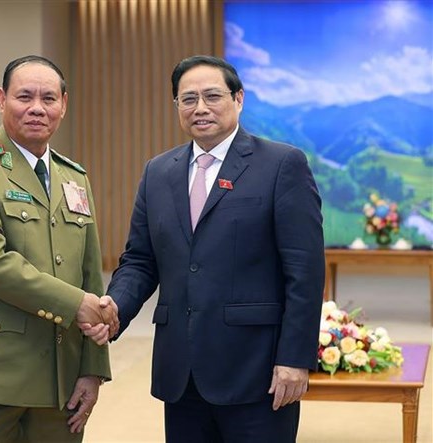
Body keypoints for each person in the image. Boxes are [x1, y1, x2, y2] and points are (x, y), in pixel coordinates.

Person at [83, 55, 325, 442]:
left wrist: (294, 359)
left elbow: (306, 272)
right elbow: (141, 261)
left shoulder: (281, 164)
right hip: (181, 372)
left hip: (257, 371)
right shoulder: (158, 172)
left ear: (238, 99)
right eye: (188, 99)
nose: (200, 108)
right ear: (176, 105)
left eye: (212, 96)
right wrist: (115, 308)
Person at [0, 55, 118, 443]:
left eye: (49, 98)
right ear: (2, 99)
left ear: (64, 105)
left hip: (62, 378)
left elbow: (90, 275)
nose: (37, 108)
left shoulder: (73, 177)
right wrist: (77, 304)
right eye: (25, 96)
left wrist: (92, 369)